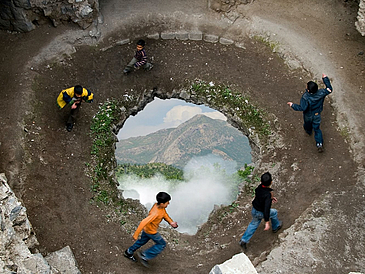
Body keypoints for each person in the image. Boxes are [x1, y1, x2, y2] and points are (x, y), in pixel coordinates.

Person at [124, 192, 178, 268]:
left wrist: (171, 222)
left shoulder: (158, 206)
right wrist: (135, 235)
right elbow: (143, 222)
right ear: (162, 203)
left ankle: (129, 252)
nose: (168, 204)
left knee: (141, 242)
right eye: (167, 202)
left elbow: (164, 214)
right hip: (151, 232)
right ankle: (145, 254)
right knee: (162, 244)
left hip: (147, 230)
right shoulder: (155, 213)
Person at [287, 74, 333, 152]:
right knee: (317, 128)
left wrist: (292, 105)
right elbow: (329, 89)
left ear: (308, 90)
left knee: (307, 124)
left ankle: (308, 131)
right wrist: (325, 79)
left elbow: (302, 107)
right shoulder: (322, 92)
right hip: (317, 114)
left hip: (308, 115)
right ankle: (319, 143)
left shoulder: (306, 97)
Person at [239, 172, 282, 250]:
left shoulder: (259, 188)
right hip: (260, 212)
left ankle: (243, 240)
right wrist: (267, 222)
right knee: (274, 212)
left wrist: (271, 197)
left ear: (261, 182)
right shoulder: (267, 195)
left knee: (253, 224)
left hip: (254, 210)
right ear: (271, 182)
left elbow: (262, 195)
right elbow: (266, 209)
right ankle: (276, 227)